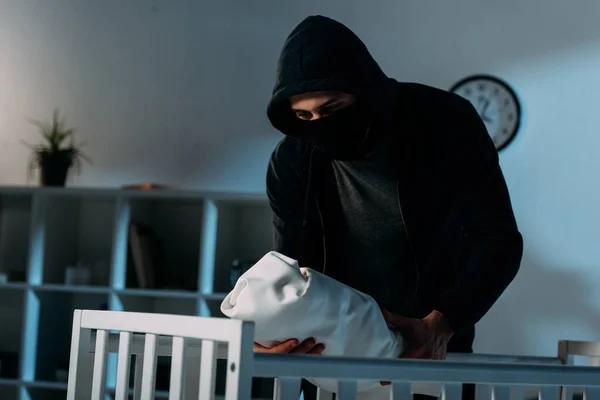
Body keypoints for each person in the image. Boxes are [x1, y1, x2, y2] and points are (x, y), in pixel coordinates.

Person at [258, 14, 523, 400]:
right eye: (304, 116)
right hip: (333, 363)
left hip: (429, 355)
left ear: (363, 91)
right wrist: (267, 333)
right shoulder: (292, 160)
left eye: (332, 108)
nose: (318, 125)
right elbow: (292, 271)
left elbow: (498, 242)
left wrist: (443, 323)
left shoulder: (445, 123)